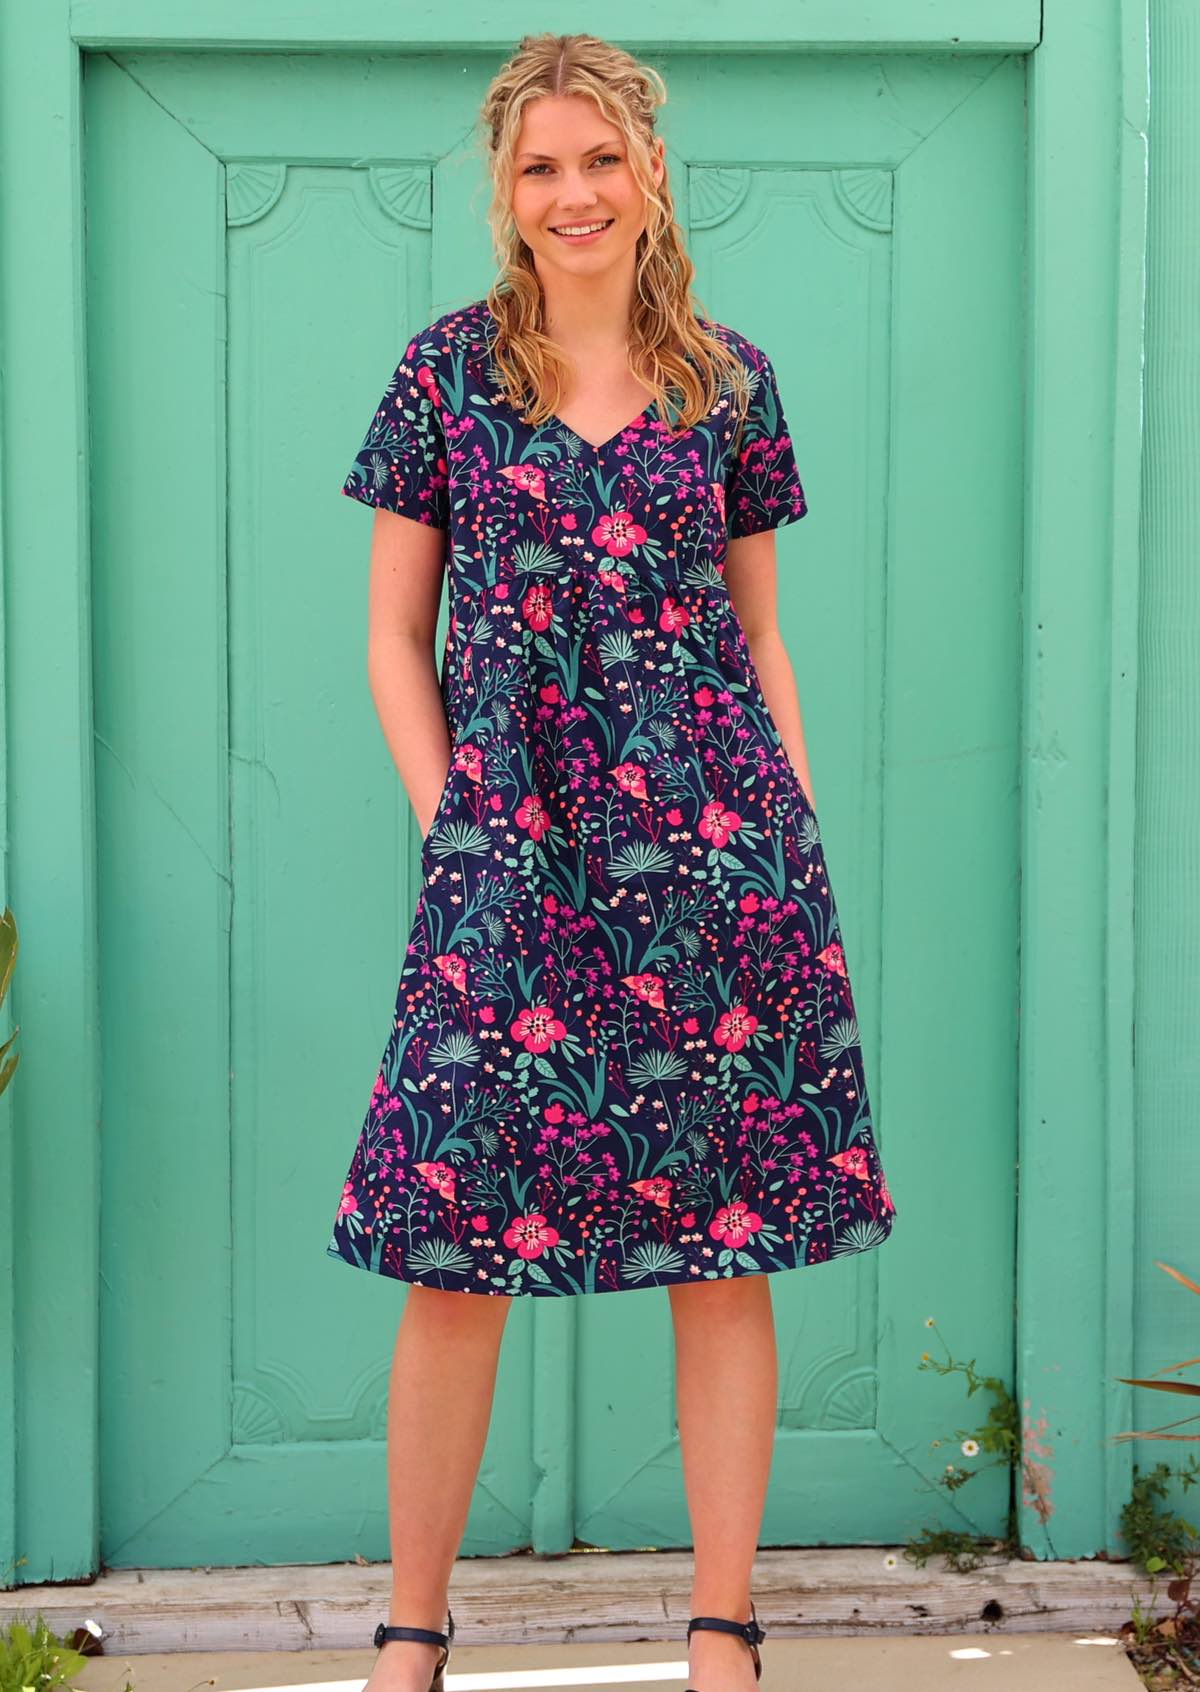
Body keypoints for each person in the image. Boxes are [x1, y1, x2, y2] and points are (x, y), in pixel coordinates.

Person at [327, 31, 898, 1692]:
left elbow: (760, 634)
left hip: (721, 870)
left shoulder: (733, 380)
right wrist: (455, 829)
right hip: (508, 868)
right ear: (505, 194)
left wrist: (788, 840)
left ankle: (724, 1641)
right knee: (453, 1257)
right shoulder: (444, 375)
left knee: (724, 1255)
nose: (572, 194)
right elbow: (389, 633)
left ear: (649, 171)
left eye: (598, 160)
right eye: (537, 167)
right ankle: (408, 1641)